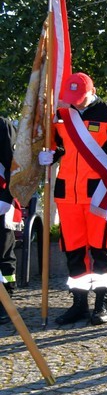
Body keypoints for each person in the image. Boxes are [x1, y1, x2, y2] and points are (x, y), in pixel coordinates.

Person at [38, 73, 107, 326]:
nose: (75, 102)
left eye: (80, 97)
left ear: (93, 91)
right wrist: (49, 155)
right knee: (73, 252)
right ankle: (79, 304)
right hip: (67, 195)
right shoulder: (60, 115)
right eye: (71, 98)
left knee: (101, 251)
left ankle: (102, 304)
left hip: (98, 195)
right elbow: (58, 146)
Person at [0, 116, 18, 325]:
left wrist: (6, 198)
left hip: (0, 198)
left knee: (2, 253)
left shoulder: (2, 126)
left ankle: (5, 300)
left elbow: (13, 164)